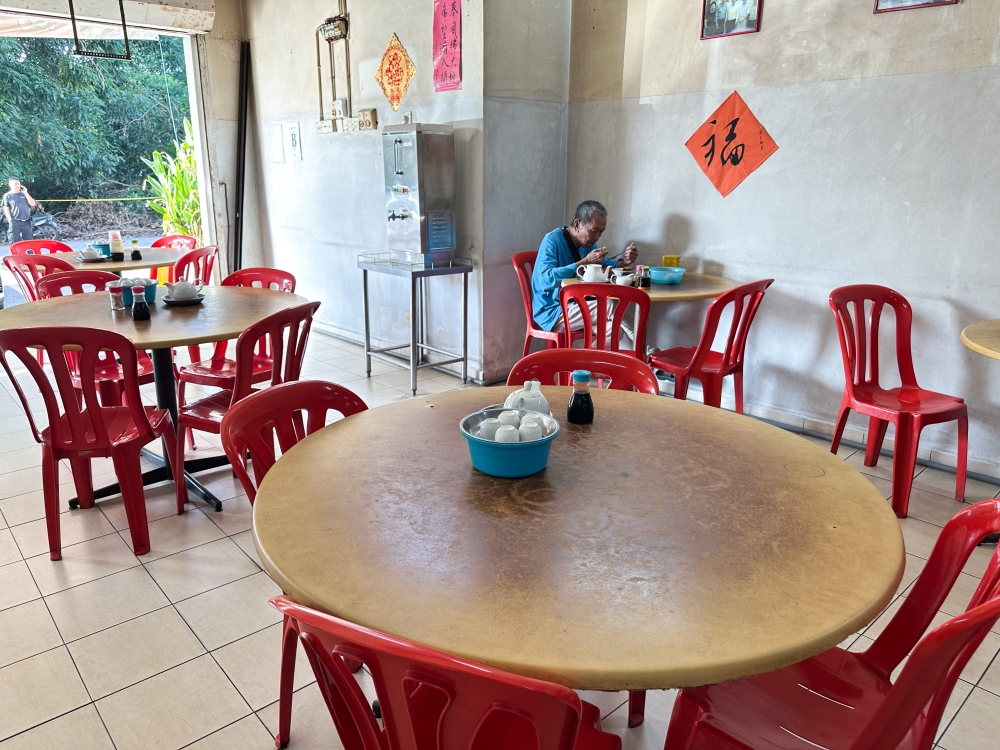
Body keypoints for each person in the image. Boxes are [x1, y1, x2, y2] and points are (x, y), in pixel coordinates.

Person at [530, 200, 639, 335]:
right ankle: (651, 352)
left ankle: (590, 356)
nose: (597, 237)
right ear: (577, 224)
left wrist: (624, 262)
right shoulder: (552, 240)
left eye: (601, 232)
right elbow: (545, 280)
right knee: (611, 305)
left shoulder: (589, 245)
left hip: (577, 305)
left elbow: (604, 265)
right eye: (593, 231)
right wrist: (584, 262)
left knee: (616, 330)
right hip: (553, 312)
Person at [2, 178, 35, 243]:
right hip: (15, 222)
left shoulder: (24, 194)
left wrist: (26, 193)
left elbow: (33, 204)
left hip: (26, 221)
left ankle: (28, 253)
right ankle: (16, 254)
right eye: (15, 184)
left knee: (29, 242)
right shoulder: (7, 196)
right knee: (14, 242)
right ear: (10, 185)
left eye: (18, 183)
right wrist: (10, 220)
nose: (17, 185)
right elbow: (6, 209)